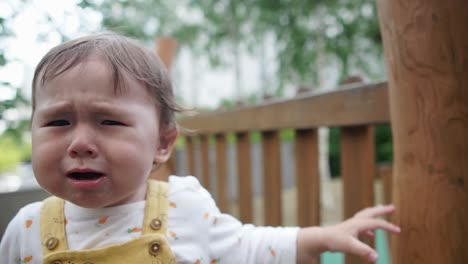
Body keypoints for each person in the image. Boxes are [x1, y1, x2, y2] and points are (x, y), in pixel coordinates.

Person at [0, 32, 400, 264]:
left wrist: (323, 236)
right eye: (57, 122)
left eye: (109, 121)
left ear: (162, 143)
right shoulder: (26, 230)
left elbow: (248, 247)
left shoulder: (183, 207)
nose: (81, 142)